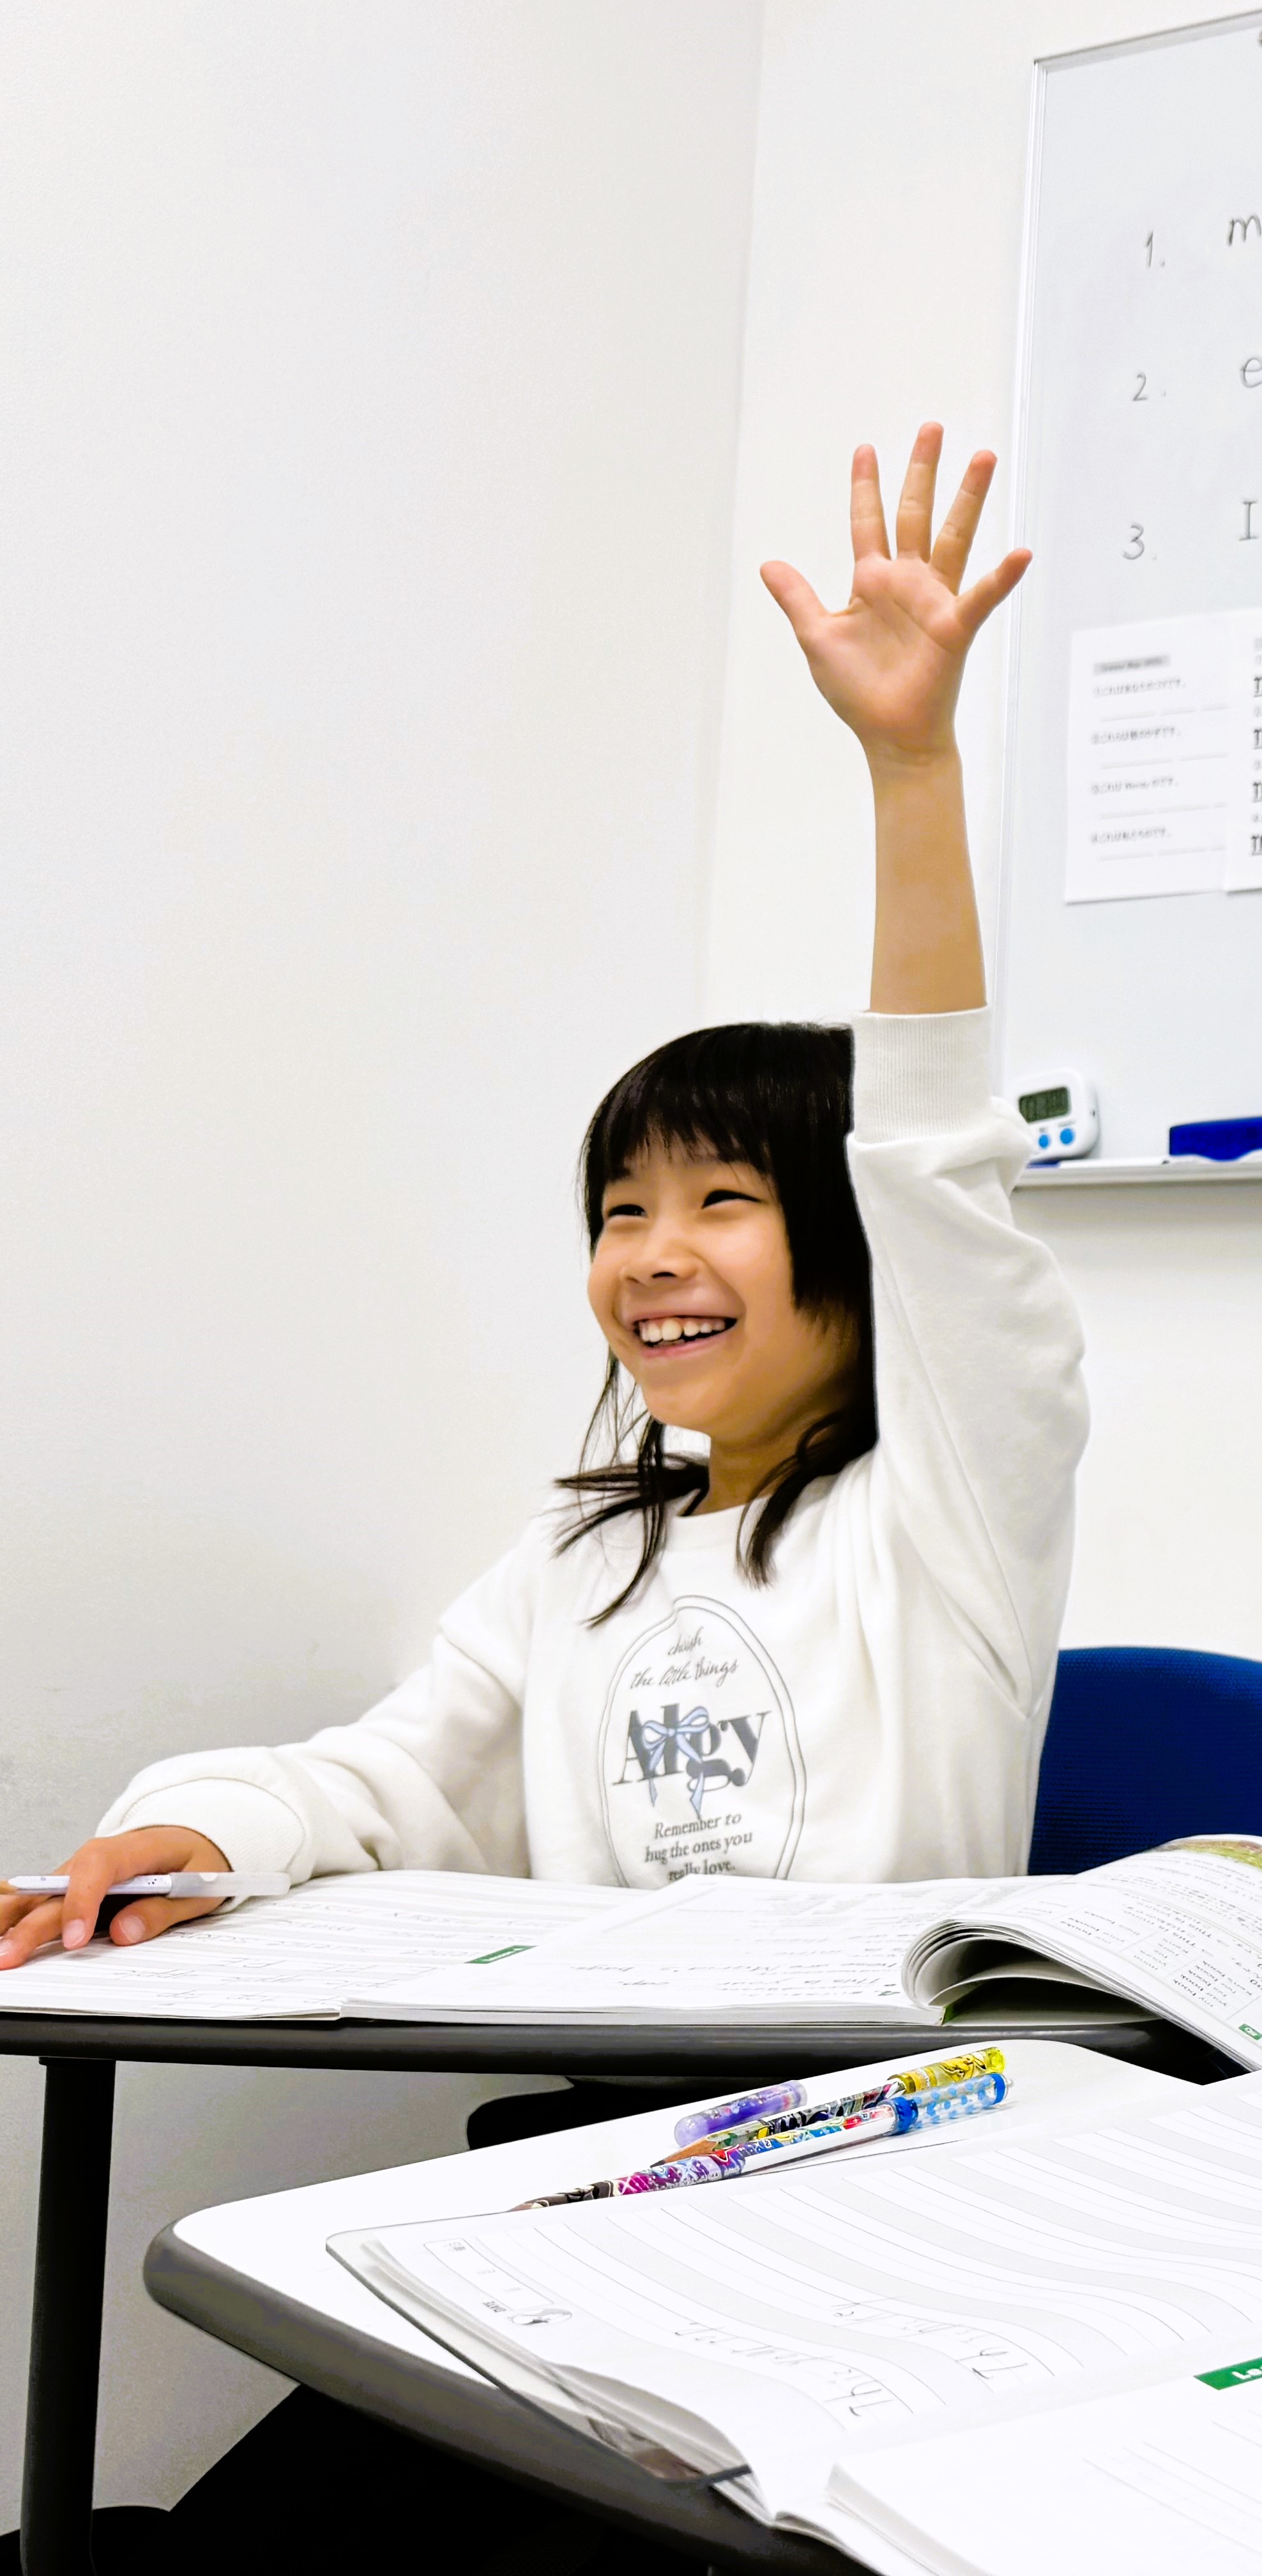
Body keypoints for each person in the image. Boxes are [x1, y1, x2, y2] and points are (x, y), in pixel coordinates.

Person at [0, 425, 1077, 1968]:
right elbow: (388, 1779)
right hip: (611, 2117)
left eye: (722, 1202)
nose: (654, 1256)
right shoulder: (579, 1565)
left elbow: (933, 1180)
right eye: (620, 1214)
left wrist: (911, 771)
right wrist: (211, 1828)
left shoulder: (951, 1515)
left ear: (854, 1253)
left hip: (885, 2120)